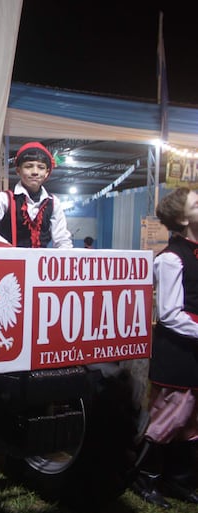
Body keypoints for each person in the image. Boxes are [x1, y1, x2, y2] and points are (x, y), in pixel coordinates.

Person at [131, 187, 198, 508]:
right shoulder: (171, 258)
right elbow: (170, 314)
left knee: (192, 421)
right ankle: (144, 477)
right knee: (170, 416)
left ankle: (179, 480)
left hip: (193, 351)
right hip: (177, 352)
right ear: (184, 219)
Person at [0, 141, 72, 248]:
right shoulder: (5, 198)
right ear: (18, 170)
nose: (35, 172)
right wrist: (7, 247)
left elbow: (62, 240)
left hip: (40, 263)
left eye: (41, 167)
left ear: (47, 172)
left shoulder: (53, 202)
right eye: (28, 166)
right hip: (12, 262)